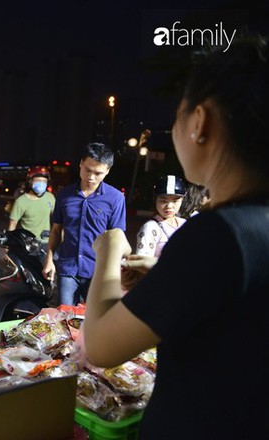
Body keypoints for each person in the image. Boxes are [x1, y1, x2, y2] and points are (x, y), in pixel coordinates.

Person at [84, 36, 269, 439]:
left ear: (199, 122)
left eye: (178, 116)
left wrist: (111, 248)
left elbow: (99, 346)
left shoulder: (217, 234)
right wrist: (165, 275)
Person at [41, 142, 126, 306]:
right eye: (87, 170)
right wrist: (49, 260)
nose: (91, 177)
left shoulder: (115, 199)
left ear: (107, 171)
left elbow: (117, 240)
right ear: (80, 164)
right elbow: (56, 230)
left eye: (98, 173)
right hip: (68, 268)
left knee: (91, 322)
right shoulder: (64, 195)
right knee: (65, 317)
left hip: (98, 272)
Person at [135, 175, 187, 257]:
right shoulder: (150, 228)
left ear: (182, 201)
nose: (169, 206)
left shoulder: (185, 224)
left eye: (175, 201)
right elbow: (142, 262)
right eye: (163, 201)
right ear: (155, 200)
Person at [7, 166, 56, 243]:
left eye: (44, 181)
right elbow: (12, 225)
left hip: (46, 242)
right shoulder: (21, 201)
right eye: (39, 181)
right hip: (27, 244)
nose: (42, 184)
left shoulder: (50, 197)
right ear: (30, 181)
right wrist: (9, 245)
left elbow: (56, 220)